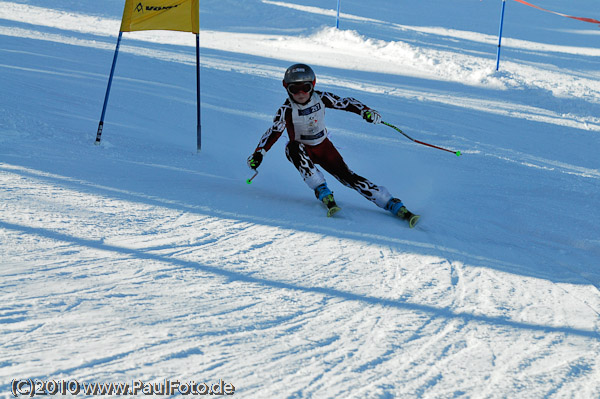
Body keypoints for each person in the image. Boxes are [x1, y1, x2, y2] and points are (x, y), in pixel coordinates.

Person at [247, 63, 419, 228]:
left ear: (312, 85)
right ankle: (321, 188)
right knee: (292, 147)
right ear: (286, 88)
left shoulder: (321, 98)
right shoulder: (286, 109)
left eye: (305, 88)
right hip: (302, 150)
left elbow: (345, 102)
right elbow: (274, 132)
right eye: (294, 89)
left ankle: (389, 202)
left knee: (348, 177)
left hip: (324, 148)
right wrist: (259, 153)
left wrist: (365, 111)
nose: (300, 93)